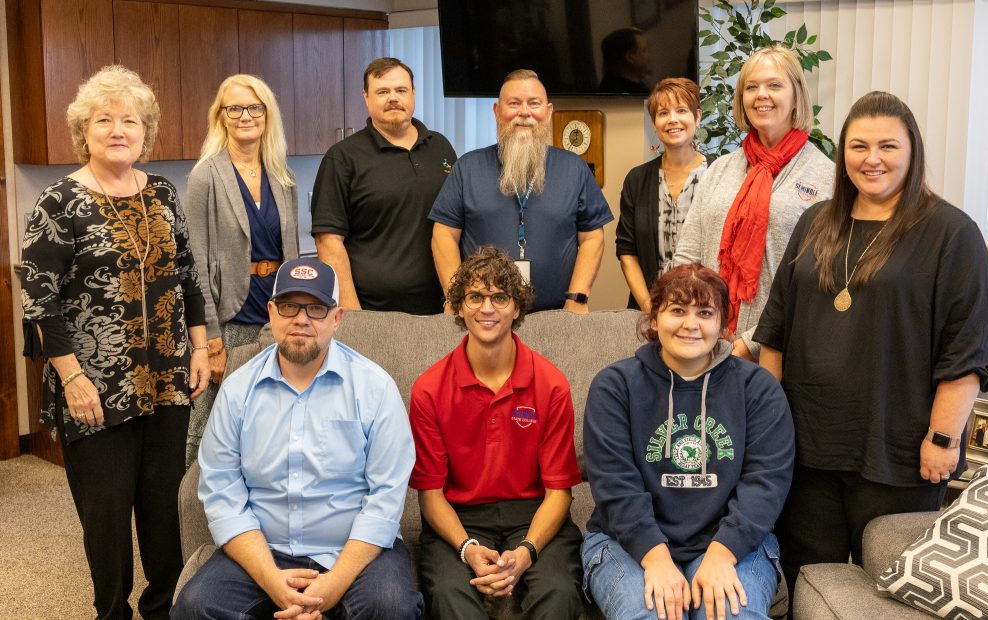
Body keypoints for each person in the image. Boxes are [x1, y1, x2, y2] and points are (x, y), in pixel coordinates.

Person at [754, 91, 988, 603]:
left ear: (913, 151)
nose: (872, 159)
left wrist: (944, 440)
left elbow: (966, 351)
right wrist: (769, 428)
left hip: (899, 452)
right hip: (806, 449)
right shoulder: (815, 222)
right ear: (842, 154)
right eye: (858, 146)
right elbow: (774, 332)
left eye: (888, 145)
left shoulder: (952, 232)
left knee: (886, 594)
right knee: (806, 584)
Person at [20, 64, 211, 620]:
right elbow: (40, 305)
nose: (118, 129)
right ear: (85, 131)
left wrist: (199, 348)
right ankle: (111, 612)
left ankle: (161, 607)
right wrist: (72, 377)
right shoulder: (58, 202)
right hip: (96, 387)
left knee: (162, 506)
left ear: (145, 130)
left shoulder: (162, 193)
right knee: (105, 514)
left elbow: (187, 277)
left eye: (130, 120)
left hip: (168, 378)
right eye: (104, 120)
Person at [172, 257, 422, 620]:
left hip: (352, 551)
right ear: (271, 312)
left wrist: (334, 584)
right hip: (263, 550)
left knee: (392, 607)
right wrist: (271, 579)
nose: (301, 319)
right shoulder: (237, 390)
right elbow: (223, 492)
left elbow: (386, 497)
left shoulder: (374, 387)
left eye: (316, 308)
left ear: (337, 318)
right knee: (195, 608)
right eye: (290, 306)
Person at [583, 264, 793, 620]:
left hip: (732, 544)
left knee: (730, 615)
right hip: (626, 544)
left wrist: (722, 554)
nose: (690, 324)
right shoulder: (614, 386)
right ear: (653, 318)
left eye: (705, 312)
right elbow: (615, 485)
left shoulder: (757, 388)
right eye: (677, 310)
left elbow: (767, 480)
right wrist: (655, 557)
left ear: (725, 324)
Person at [409, 246, 584, 618]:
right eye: (475, 297)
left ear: (517, 308)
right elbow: (430, 494)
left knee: (558, 591)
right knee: (448, 593)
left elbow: (560, 493)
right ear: (458, 307)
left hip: (533, 514)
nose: (487, 308)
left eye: (500, 297)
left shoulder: (551, 385)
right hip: (459, 517)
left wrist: (527, 553)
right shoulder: (429, 389)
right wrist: (468, 548)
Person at [673, 45, 834, 360]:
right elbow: (687, 257)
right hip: (707, 344)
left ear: (796, 96)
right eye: (751, 87)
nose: (762, 94)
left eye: (774, 85)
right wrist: (694, 328)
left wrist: (750, 344)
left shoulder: (826, 178)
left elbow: (819, 283)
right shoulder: (720, 169)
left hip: (783, 352)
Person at [184, 74, 299, 467]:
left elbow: (293, 255)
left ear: (267, 115)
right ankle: (196, 518)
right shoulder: (206, 175)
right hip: (230, 318)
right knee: (214, 430)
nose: (245, 116)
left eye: (254, 107)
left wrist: (294, 312)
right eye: (235, 108)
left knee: (266, 424)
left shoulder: (282, 176)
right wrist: (211, 342)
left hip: (274, 317)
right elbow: (195, 261)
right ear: (222, 117)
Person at [430, 69, 614, 312]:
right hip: (483, 316)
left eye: (534, 104)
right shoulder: (467, 167)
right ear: (497, 112)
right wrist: (455, 299)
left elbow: (592, 237)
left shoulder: (574, 168)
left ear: (548, 112)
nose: (524, 113)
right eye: (514, 103)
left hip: (557, 316)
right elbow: (443, 236)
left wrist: (577, 298)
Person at [312, 57, 457, 314]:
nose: (393, 98)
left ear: (413, 93)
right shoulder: (343, 157)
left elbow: (455, 226)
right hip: (374, 312)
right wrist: (353, 315)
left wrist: (456, 300)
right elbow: (329, 241)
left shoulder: (440, 147)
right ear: (366, 97)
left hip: (441, 310)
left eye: (401, 90)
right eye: (382, 91)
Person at [617, 78, 707, 311]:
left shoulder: (718, 175)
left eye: (681, 110)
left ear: (697, 117)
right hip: (649, 310)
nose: (673, 119)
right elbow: (627, 252)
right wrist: (651, 311)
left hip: (706, 308)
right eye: (663, 113)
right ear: (655, 124)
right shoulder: (637, 180)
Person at [597, 27, 652, 94]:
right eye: (644, 50)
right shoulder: (619, 97)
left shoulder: (638, 86)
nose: (649, 55)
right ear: (630, 57)